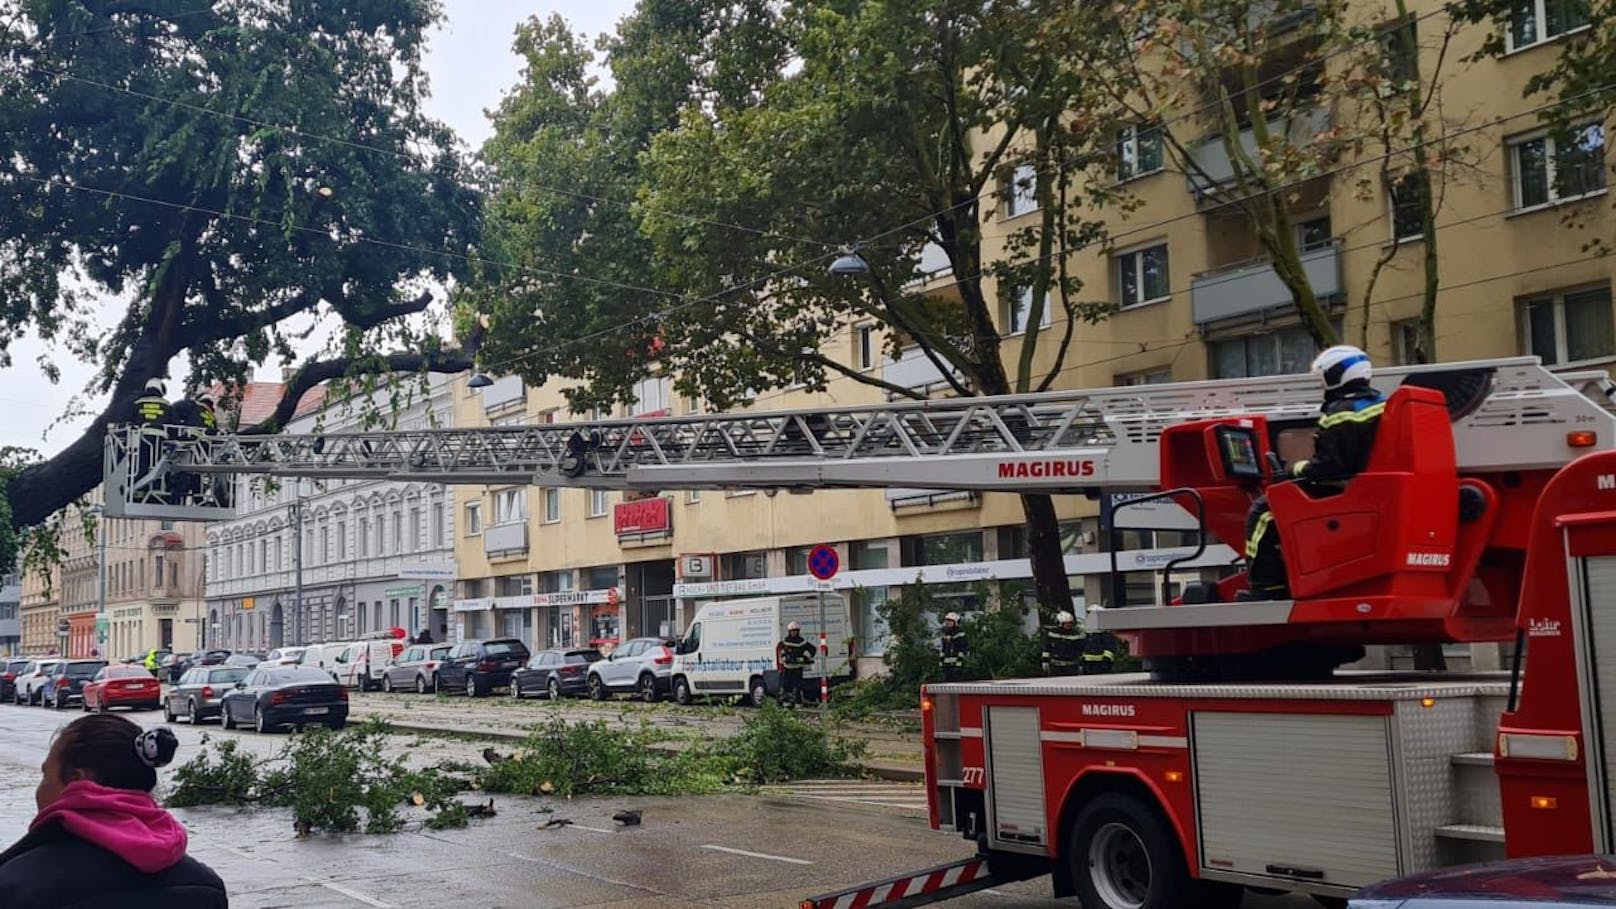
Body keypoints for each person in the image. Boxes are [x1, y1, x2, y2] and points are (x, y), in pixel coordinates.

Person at [0, 715, 227, 907]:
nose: (39, 791)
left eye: (45, 775)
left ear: (78, 782)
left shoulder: (16, 888)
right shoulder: (206, 886)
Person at [1244, 345, 1387, 599]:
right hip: (1367, 490)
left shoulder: (1340, 412)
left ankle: (1266, 587)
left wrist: (1296, 468)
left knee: (1264, 510)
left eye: (1324, 378)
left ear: (1335, 376)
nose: (1323, 385)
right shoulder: (1381, 404)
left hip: (1345, 490)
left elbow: (1330, 467)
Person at [129, 378, 173, 505]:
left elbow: (130, 421)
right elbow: (174, 423)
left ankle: (138, 489)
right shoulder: (166, 405)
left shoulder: (138, 403)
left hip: (141, 440)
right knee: (158, 466)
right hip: (160, 442)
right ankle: (158, 488)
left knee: (141, 464)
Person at [775, 622, 815, 706]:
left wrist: (805, 658)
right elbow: (781, 650)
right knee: (786, 685)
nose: (794, 632)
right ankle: (787, 702)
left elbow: (812, 649)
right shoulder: (786, 641)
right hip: (787, 667)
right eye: (792, 631)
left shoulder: (801, 642)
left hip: (797, 667)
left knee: (797, 686)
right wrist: (785, 658)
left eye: (795, 631)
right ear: (789, 631)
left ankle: (798, 702)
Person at [1042, 611, 1084, 677]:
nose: (1069, 625)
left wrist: (1081, 664)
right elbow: (1047, 649)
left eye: (1070, 623)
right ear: (1060, 623)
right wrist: (1045, 661)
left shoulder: (1076, 635)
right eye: (1066, 624)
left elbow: (1080, 650)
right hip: (1056, 666)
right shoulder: (1052, 634)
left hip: (1071, 666)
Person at [939, 612, 968, 682]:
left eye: (950, 622)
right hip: (947, 664)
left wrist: (959, 661)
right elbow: (943, 648)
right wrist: (941, 661)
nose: (948, 623)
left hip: (957, 663)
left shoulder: (960, 633)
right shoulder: (945, 633)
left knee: (956, 682)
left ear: (955, 622)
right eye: (947, 621)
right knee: (946, 682)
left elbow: (962, 648)